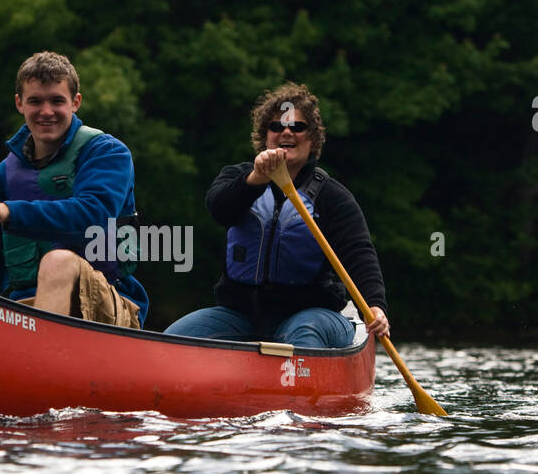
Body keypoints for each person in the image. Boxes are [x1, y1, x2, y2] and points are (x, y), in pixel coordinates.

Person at [165, 82, 390, 347]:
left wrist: (374, 305)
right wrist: (256, 179)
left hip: (312, 315)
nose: (286, 132)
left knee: (304, 333)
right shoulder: (237, 178)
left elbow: (358, 253)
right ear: (265, 136)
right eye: (276, 127)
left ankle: (298, 380)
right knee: (172, 339)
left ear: (312, 139)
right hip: (241, 316)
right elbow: (220, 210)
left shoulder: (332, 197)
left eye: (297, 127)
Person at [0, 51, 149, 328]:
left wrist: (10, 211)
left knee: (58, 261)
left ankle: (38, 359)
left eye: (57, 100)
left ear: (75, 102)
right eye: (35, 101)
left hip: (106, 307)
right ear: (19, 104)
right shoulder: (6, 172)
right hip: (22, 310)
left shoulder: (107, 153)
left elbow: (94, 216)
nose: (46, 111)